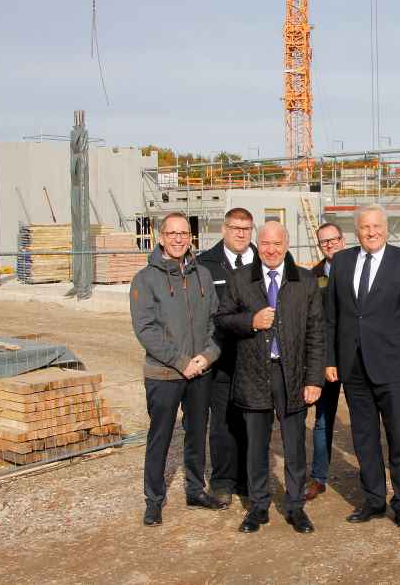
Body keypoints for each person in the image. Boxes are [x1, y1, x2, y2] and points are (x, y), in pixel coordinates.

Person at [216, 221, 325, 534]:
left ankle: (295, 506)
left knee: (294, 445)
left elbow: (316, 333)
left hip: (292, 374)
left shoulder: (304, 281)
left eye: (277, 243)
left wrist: (314, 379)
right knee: (256, 446)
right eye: (265, 243)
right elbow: (222, 320)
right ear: (257, 244)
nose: (271, 249)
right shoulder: (240, 279)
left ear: (287, 244)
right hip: (254, 373)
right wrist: (250, 320)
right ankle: (258, 507)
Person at [324, 204, 400, 528]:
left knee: (399, 438)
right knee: (364, 437)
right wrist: (330, 359)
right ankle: (373, 500)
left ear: (386, 228)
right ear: (357, 231)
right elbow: (331, 317)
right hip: (353, 367)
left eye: (376, 226)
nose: (371, 232)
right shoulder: (341, 262)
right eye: (365, 227)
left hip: (394, 368)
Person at [130, 211, 223, 527]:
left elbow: (215, 321)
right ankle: (154, 500)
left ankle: (195, 490)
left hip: (200, 372)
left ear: (191, 237)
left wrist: (207, 356)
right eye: (173, 233)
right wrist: (182, 362)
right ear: (161, 237)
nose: (179, 239)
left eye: (184, 233)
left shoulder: (202, 275)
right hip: (165, 374)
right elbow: (146, 330)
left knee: (197, 433)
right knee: (161, 436)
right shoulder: (146, 278)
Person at [196, 207, 253, 506]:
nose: (241, 234)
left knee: (252, 422)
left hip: (254, 358)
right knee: (221, 422)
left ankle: (247, 479)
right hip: (219, 357)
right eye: (235, 228)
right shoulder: (205, 264)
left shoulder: (263, 260)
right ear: (224, 229)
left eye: (246, 229)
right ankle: (222, 481)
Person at [304, 222, 346, 502]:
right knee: (322, 420)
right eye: (324, 242)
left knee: (368, 420)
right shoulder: (312, 276)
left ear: (343, 240)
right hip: (326, 358)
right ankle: (319, 477)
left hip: (357, 357)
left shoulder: (359, 267)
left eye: (333, 240)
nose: (329, 245)